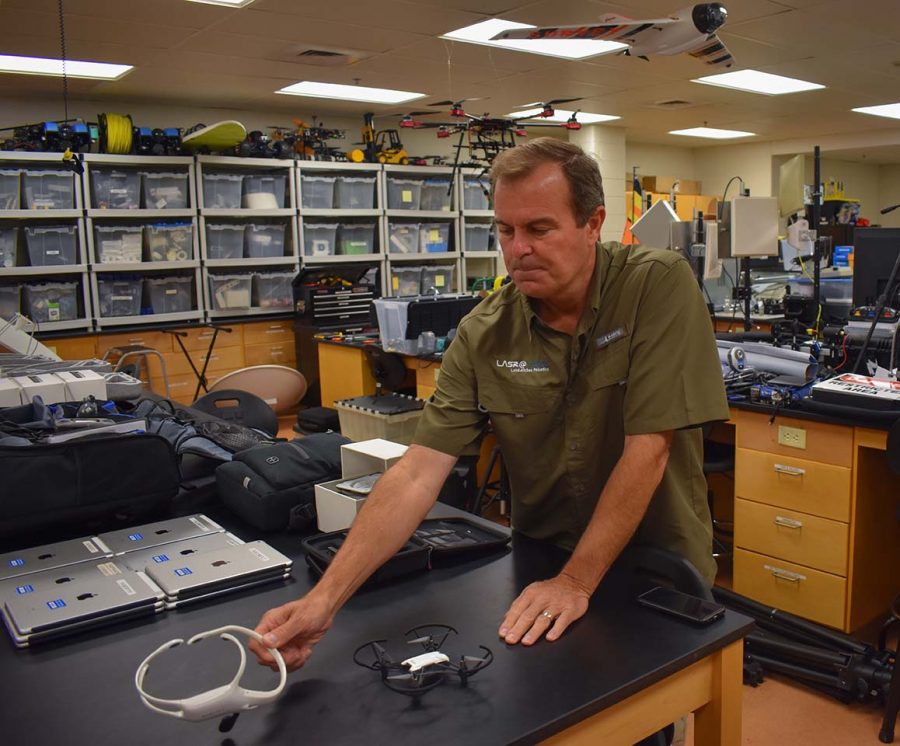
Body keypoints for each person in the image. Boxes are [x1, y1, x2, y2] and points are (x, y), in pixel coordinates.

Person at [250, 137, 729, 673]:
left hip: (655, 567)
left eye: (539, 229)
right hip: (542, 563)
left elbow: (650, 450)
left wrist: (576, 581)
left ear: (593, 224)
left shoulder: (655, 285)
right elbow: (415, 475)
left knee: (649, 719)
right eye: (506, 230)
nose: (517, 247)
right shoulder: (484, 332)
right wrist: (325, 601)